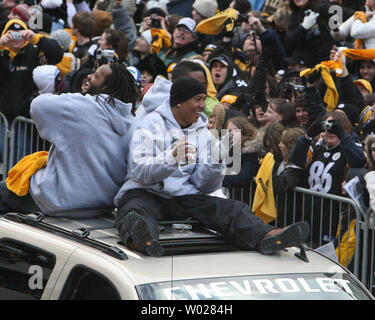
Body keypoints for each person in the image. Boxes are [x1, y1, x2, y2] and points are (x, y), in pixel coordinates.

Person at [114, 76, 310, 257]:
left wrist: (216, 165)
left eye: (204, 99)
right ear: (180, 101)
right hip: (146, 192)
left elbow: (206, 186)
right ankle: (142, 239)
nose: (203, 105)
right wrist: (171, 158)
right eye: (198, 99)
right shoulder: (149, 124)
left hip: (182, 198)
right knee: (134, 210)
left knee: (231, 208)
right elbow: (140, 172)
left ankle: (268, 235)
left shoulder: (203, 132)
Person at [0, 63, 137, 216]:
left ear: (105, 88)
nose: (90, 76)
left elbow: (38, 105)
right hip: (99, 207)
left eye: (96, 76)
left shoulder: (83, 106)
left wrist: (81, 96)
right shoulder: (133, 124)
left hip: (56, 200)